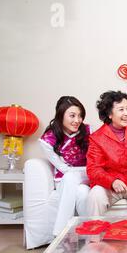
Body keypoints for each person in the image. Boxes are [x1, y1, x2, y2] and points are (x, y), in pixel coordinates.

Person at [39, 96, 91, 235]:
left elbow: (95, 161)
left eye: (80, 116)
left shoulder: (88, 131)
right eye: (72, 115)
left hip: (87, 175)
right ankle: (90, 236)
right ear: (60, 115)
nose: (77, 120)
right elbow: (63, 169)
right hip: (63, 180)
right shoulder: (48, 139)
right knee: (82, 193)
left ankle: (60, 234)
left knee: (71, 177)